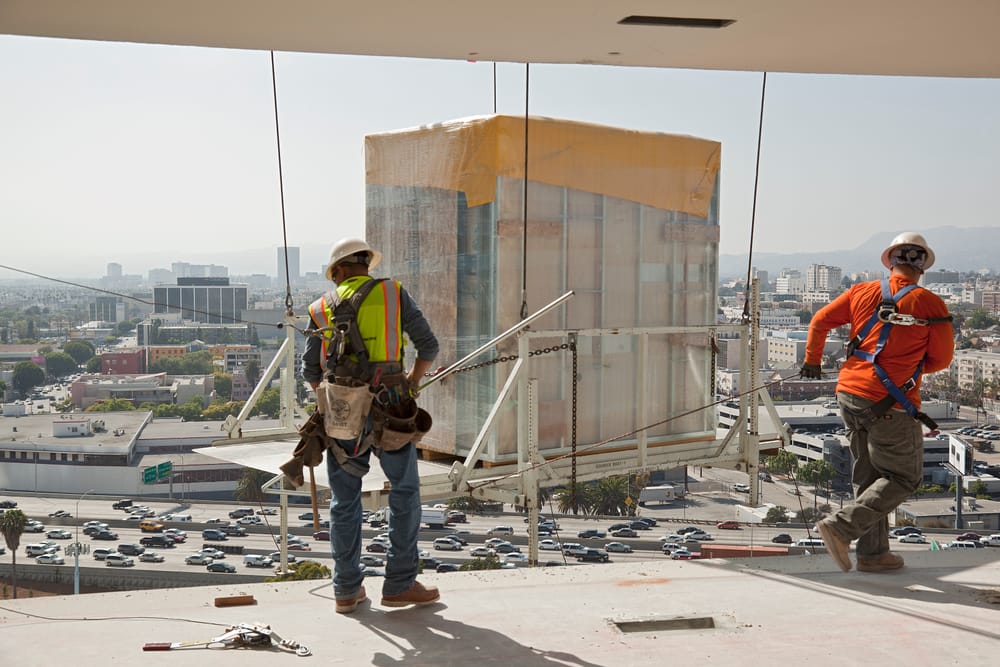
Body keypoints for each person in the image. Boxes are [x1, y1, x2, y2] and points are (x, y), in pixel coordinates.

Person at [302, 237, 440, 612]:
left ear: (339, 271)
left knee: (345, 500)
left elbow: (310, 371)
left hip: (342, 415)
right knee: (405, 492)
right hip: (392, 406)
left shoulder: (318, 308)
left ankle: (346, 590)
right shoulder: (393, 293)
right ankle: (399, 584)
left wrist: (332, 400)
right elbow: (428, 347)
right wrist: (411, 381)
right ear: (365, 265)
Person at [802, 232, 953, 573]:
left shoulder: (862, 291)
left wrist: (812, 359)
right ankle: (841, 527)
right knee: (902, 478)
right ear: (922, 268)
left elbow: (819, 321)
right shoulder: (929, 304)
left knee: (870, 480)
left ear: (890, 263)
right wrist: (908, 369)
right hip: (891, 405)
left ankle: (873, 555)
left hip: (849, 395)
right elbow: (941, 360)